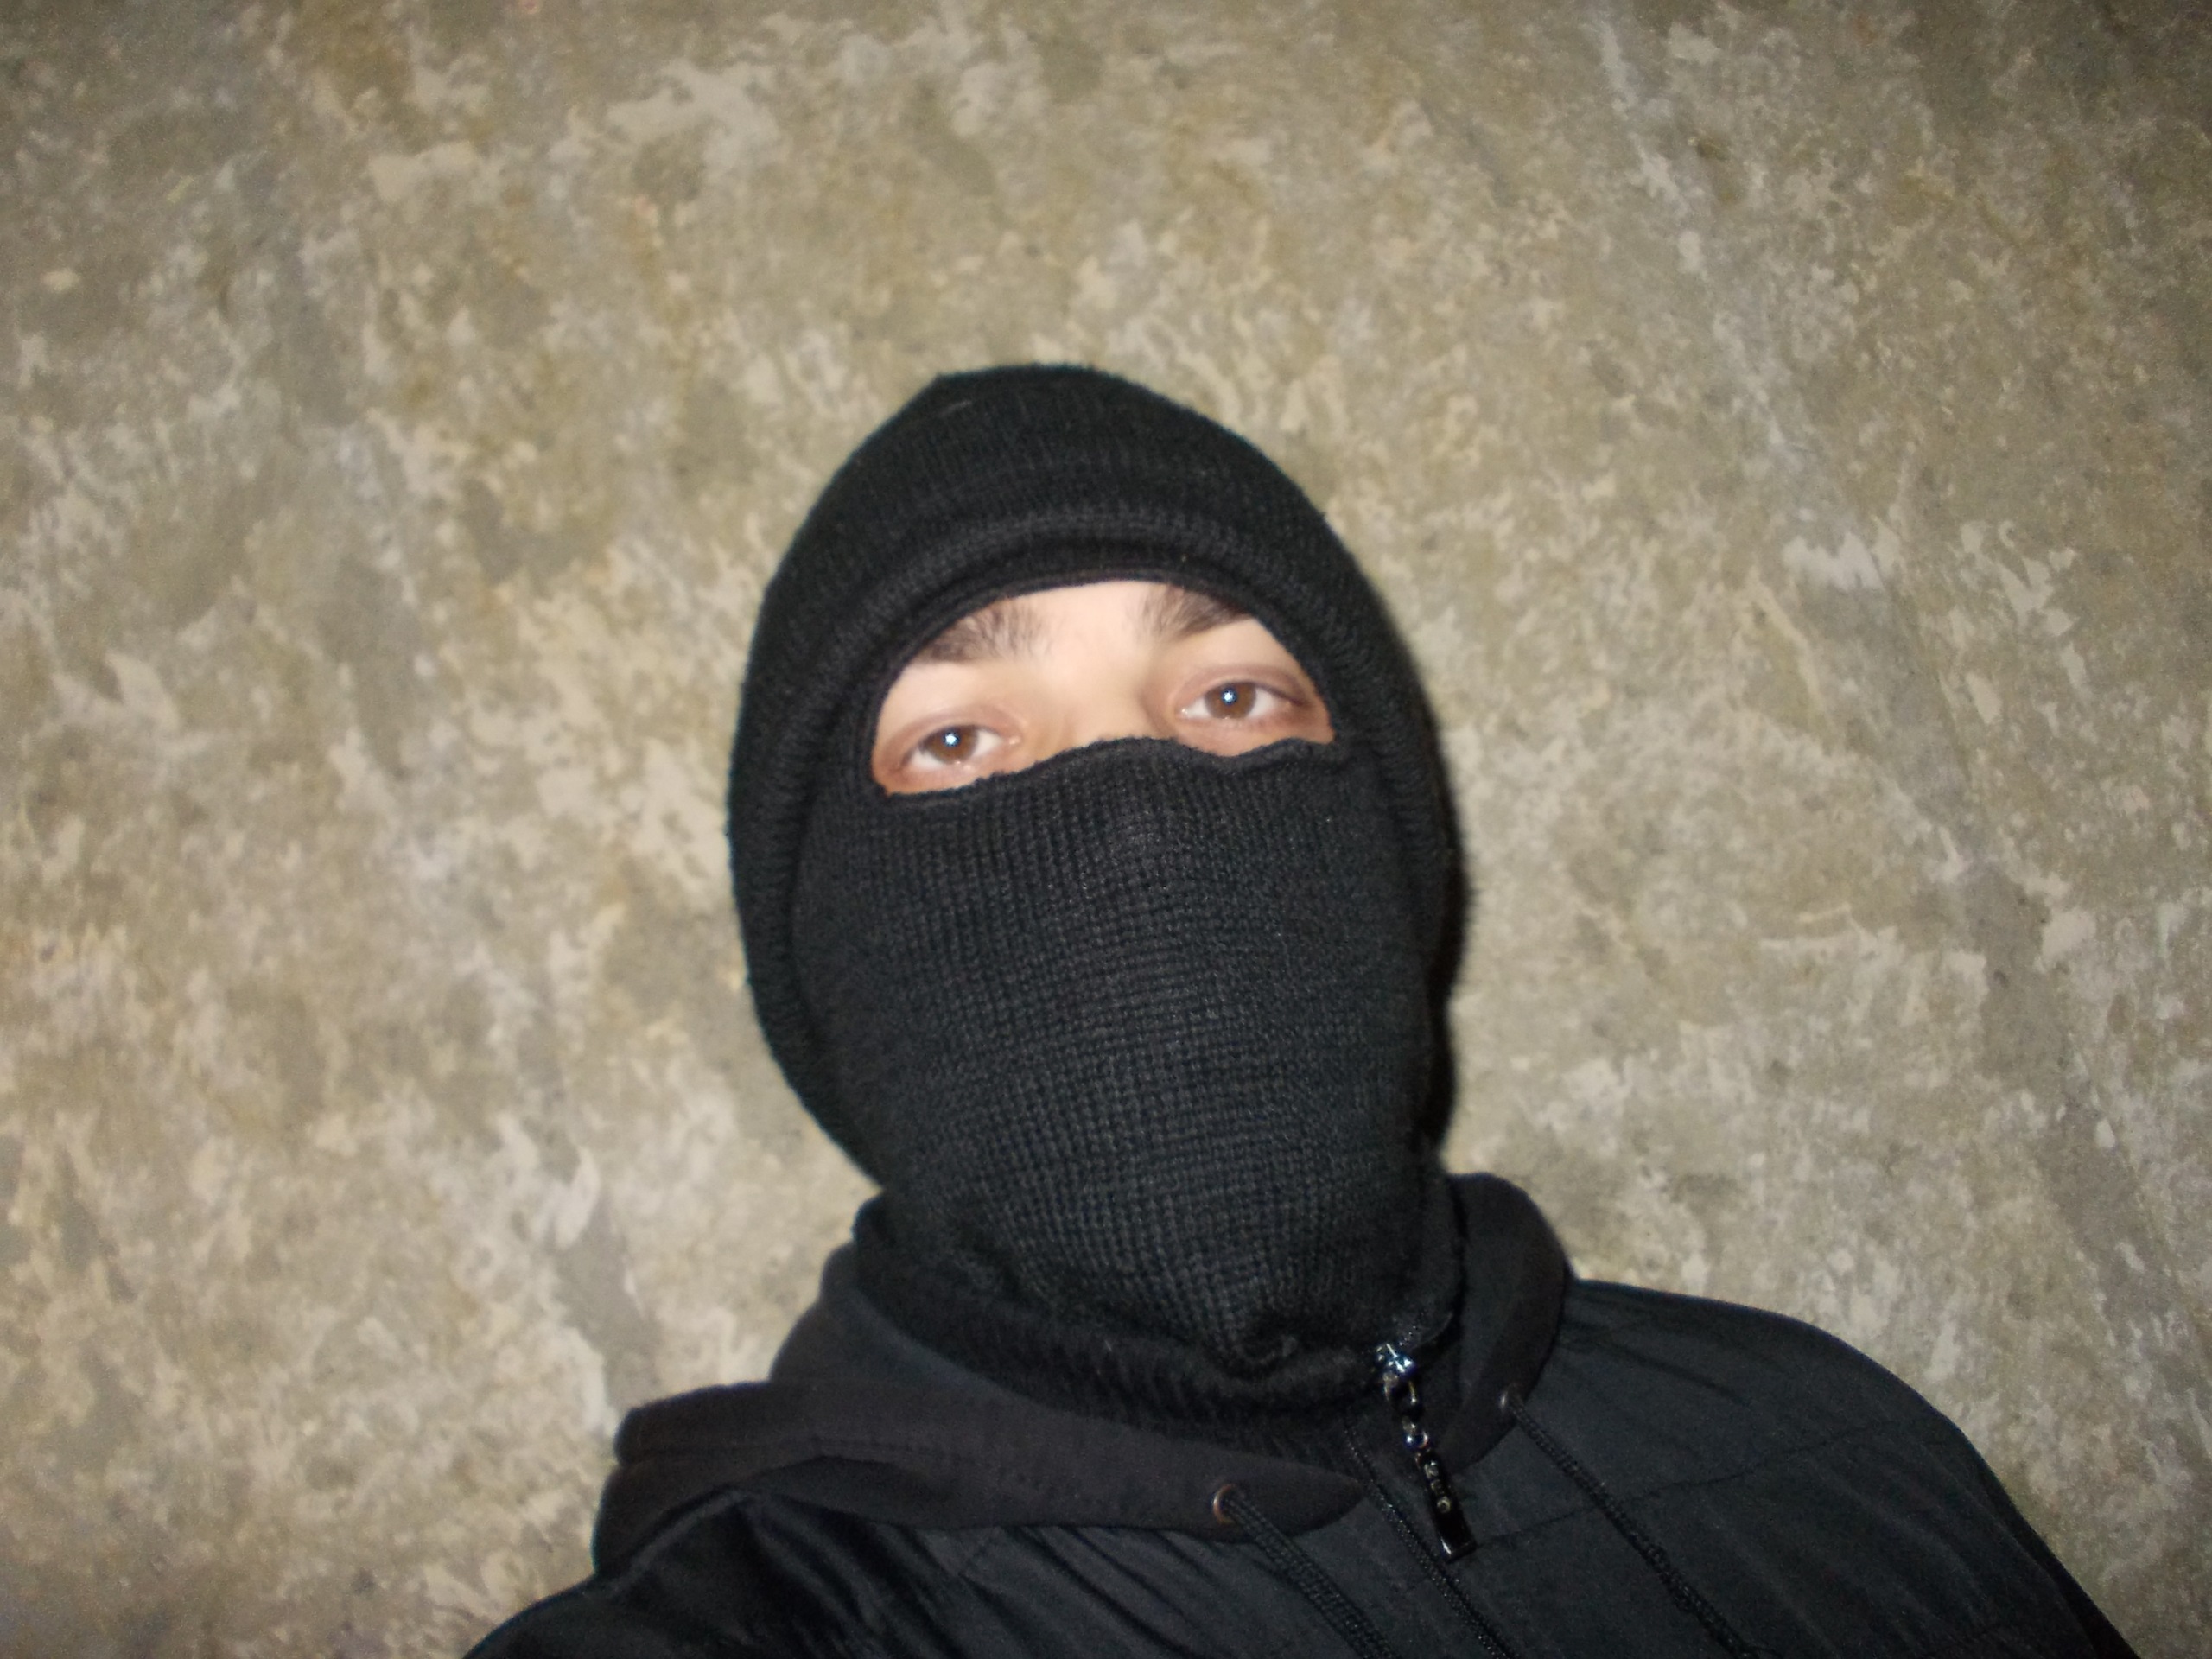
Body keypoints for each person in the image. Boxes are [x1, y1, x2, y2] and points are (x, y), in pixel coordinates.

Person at [467, 365, 2135, 1658]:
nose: (1135, 817)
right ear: (825, 952)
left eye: (1232, 697)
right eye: (962, 740)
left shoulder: (1816, 1437)